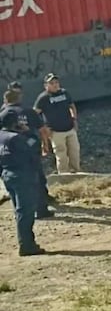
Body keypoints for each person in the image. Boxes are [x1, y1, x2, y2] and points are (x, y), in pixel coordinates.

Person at [2, 89, 53, 218]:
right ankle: (41, 209)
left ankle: (19, 211)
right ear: (19, 98)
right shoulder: (29, 111)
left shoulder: (2, 114)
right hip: (29, 151)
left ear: (6, 100)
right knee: (38, 180)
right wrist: (45, 145)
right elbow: (42, 130)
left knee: (14, 186)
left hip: (9, 155)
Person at [0, 110, 45, 256]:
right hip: (23, 176)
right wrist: (30, 133)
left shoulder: (1, 136)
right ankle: (27, 245)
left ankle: (25, 242)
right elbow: (33, 148)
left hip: (8, 175)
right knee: (26, 211)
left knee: (19, 210)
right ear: (15, 123)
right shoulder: (16, 138)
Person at [33, 73, 81, 174]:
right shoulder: (43, 98)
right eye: (52, 83)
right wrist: (44, 127)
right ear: (46, 85)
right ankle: (63, 175)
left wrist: (74, 119)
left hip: (70, 128)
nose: (55, 85)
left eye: (56, 82)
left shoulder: (64, 93)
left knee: (75, 152)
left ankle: (76, 173)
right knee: (61, 156)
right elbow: (35, 114)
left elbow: (72, 106)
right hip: (55, 131)